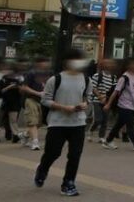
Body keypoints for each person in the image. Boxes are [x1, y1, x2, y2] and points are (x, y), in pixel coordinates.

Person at [34, 48, 92, 197]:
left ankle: (68, 183)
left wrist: (84, 104)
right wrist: (63, 107)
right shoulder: (55, 79)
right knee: (53, 152)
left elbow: (87, 97)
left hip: (78, 123)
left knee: (75, 155)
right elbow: (45, 100)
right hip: (57, 123)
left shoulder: (86, 79)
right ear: (67, 62)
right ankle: (43, 169)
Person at [102, 57, 134, 151]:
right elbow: (115, 92)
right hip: (123, 105)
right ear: (129, 66)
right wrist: (108, 104)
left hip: (131, 105)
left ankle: (108, 140)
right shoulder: (124, 78)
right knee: (130, 124)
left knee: (119, 124)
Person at [21, 57, 52, 151]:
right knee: (33, 121)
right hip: (31, 99)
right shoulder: (31, 73)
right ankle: (35, 142)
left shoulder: (49, 74)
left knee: (39, 123)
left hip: (43, 101)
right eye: (44, 62)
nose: (46, 65)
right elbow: (24, 87)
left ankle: (25, 134)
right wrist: (37, 93)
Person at [87, 59, 117, 144]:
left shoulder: (113, 77)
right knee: (98, 119)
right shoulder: (97, 75)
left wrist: (107, 98)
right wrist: (100, 97)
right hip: (97, 100)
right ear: (103, 65)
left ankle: (101, 137)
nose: (110, 65)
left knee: (105, 120)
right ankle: (91, 131)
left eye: (111, 64)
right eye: (108, 64)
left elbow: (113, 90)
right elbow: (93, 87)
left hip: (107, 101)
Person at [0, 62, 21, 143]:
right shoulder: (2, 81)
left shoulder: (17, 81)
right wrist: (9, 87)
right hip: (2, 103)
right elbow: (0, 92)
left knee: (13, 120)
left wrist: (19, 88)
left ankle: (15, 135)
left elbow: (20, 92)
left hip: (14, 103)